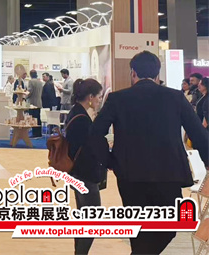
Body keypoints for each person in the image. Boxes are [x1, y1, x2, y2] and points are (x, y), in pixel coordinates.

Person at [90, 51, 209, 255]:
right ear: (157, 73)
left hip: (129, 174)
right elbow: (198, 134)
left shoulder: (118, 98)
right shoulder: (175, 97)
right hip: (168, 174)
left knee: (138, 227)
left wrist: (110, 160)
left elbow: (94, 134)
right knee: (168, 226)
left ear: (133, 72)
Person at [65, 78, 105, 255]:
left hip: (76, 172)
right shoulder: (82, 119)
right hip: (85, 174)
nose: (99, 100)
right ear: (90, 97)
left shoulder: (76, 112)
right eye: (99, 97)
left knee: (84, 217)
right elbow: (89, 149)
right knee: (92, 219)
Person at [26, 70, 43, 138]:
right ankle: (39, 133)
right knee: (38, 118)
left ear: (30, 75)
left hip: (32, 103)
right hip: (39, 102)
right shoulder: (40, 82)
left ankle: (34, 133)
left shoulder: (31, 81)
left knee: (33, 118)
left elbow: (30, 92)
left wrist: (25, 96)